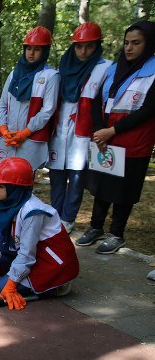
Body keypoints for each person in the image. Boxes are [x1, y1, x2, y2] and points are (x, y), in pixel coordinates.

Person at [77, 21, 155, 255]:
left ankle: (116, 233)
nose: (129, 48)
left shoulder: (153, 73)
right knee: (101, 184)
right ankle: (95, 227)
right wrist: (100, 130)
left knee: (123, 190)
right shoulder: (113, 69)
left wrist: (112, 131)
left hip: (132, 142)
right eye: (126, 42)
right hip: (105, 139)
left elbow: (148, 110)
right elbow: (95, 101)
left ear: (149, 44)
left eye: (136, 43)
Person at [0, 158, 79, 310]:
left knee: (1, 288)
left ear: (15, 189)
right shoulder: (5, 202)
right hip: (33, 253)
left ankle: (56, 286)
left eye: (0, 186)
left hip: (52, 261)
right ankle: (25, 280)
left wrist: (11, 284)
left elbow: (27, 254)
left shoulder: (33, 212)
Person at [48, 22, 112, 234]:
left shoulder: (105, 68)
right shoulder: (63, 67)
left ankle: (68, 218)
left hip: (84, 133)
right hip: (59, 129)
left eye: (89, 46)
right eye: (79, 46)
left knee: (76, 177)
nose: (83, 51)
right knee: (56, 175)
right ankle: (55, 215)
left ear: (97, 46)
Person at [0, 26, 60, 171]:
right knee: (3, 179)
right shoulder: (14, 74)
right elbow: (3, 104)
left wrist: (25, 132)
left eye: (37, 49)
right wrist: (4, 130)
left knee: (25, 178)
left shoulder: (51, 76)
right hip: (8, 137)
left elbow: (47, 110)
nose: (31, 53)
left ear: (44, 51)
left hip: (31, 139)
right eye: (29, 48)